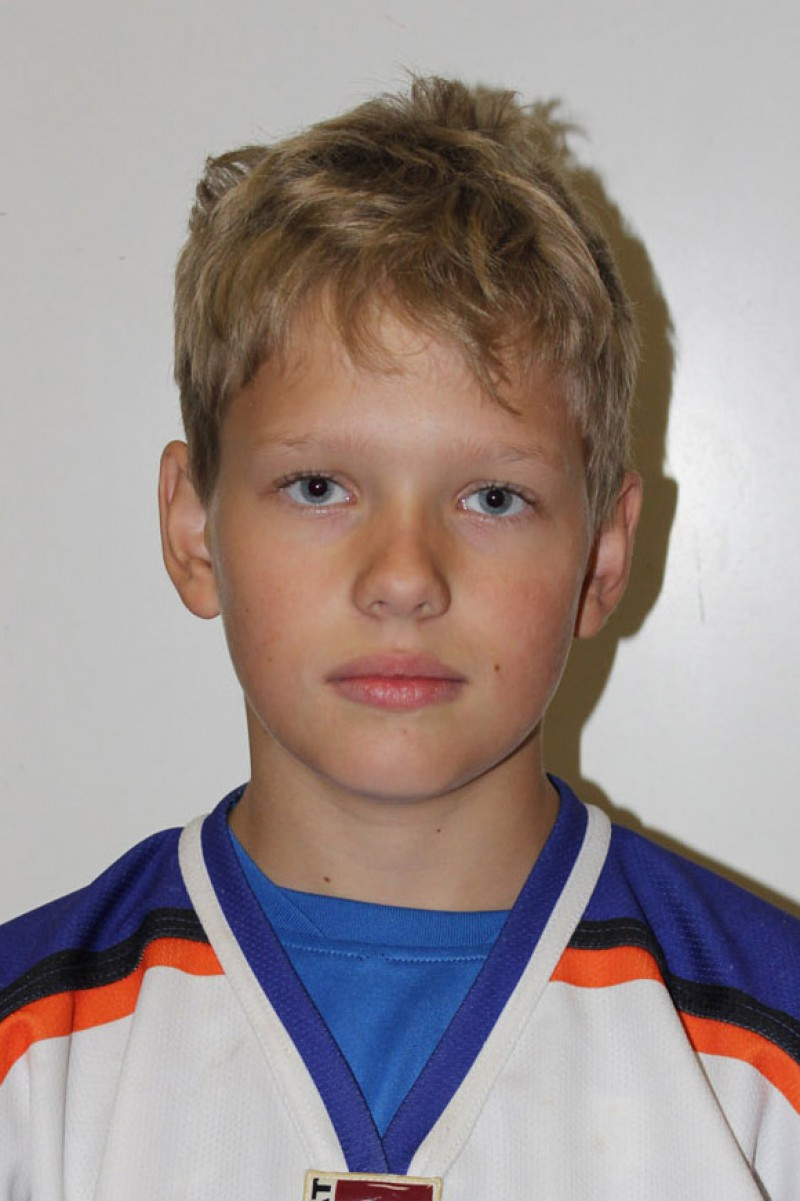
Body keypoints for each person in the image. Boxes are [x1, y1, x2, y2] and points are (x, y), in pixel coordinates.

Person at [1, 76, 798, 1201]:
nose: (404, 579)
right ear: (192, 528)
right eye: (319, 485)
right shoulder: (31, 1064)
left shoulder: (766, 1065)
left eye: (492, 498)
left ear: (602, 556)